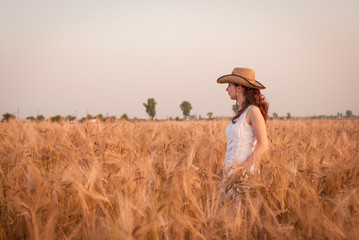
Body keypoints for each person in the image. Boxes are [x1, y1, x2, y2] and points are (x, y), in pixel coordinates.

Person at [217, 67, 269, 192]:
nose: (226, 89)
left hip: (242, 176)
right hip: (229, 173)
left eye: (229, 85)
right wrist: (222, 173)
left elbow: (263, 145)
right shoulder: (241, 112)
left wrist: (239, 172)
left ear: (239, 88)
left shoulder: (253, 111)